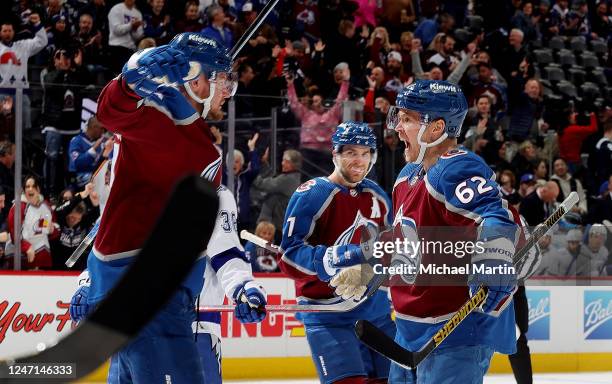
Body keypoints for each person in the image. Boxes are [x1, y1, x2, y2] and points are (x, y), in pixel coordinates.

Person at [69, 32, 266, 383]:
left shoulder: (200, 146)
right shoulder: (161, 124)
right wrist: (132, 75)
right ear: (193, 78)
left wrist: (242, 286)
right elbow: (114, 112)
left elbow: (221, 248)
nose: (226, 91)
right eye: (220, 79)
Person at [380, 80, 519, 382]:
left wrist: (494, 259)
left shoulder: (456, 167)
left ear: (436, 128)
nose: (397, 128)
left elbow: (495, 216)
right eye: (398, 117)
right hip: (408, 331)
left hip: (452, 336)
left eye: (406, 119)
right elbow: (403, 244)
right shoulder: (407, 176)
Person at [279, 121, 395, 384]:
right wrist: (338, 258)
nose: (360, 160)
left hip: (374, 311)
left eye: (366, 153)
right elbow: (289, 258)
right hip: (328, 316)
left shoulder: (377, 196)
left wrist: (371, 271)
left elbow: (390, 249)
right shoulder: (313, 193)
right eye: (352, 152)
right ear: (336, 154)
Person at [7, 175, 57, 270]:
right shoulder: (18, 207)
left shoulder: (46, 206)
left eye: (33, 186)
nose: (30, 189)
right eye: (27, 186)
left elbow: (55, 227)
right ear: (24, 190)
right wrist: (26, 247)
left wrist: (52, 230)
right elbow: (14, 233)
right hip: (21, 258)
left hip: (41, 258)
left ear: (38, 189)